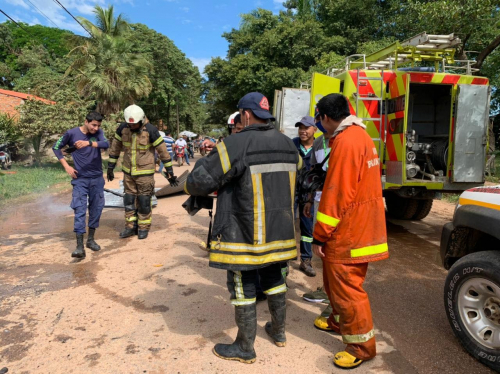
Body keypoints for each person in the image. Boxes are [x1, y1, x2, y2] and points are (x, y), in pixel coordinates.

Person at [185, 92, 300, 364]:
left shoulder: (236, 144)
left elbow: (198, 182)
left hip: (244, 234)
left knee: (242, 283)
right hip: (280, 232)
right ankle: (279, 331)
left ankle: (245, 347)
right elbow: (299, 175)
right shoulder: (288, 144)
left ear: (246, 115)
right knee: (274, 279)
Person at [312, 94, 389, 369]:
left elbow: (336, 194)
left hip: (349, 230)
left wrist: (320, 234)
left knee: (347, 288)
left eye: (318, 119)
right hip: (359, 225)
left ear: (325, 117)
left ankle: (361, 347)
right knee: (334, 280)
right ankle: (336, 321)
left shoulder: (345, 142)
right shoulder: (361, 135)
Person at [107, 104, 178, 240]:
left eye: (135, 125)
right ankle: (130, 227)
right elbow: (115, 148)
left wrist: (170, 171)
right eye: (130, 124)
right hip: (128, 173)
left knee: (144, 201)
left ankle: (143, 227)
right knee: (128, 200)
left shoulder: (151, 130)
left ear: (141, 120)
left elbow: (163, 151)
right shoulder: (123, 128)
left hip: (145, 173)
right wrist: (110, 167)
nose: (132, 127)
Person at [52, 111, 109, 258]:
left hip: (96, 178)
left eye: (98, 125)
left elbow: (106, 143)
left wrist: (89, 143)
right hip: (80, 178)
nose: (96, 128)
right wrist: (67, 166)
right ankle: (79, 247)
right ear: (86, 121)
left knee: (96, 208)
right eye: (93, 125)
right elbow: (56, 147)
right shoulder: (71, 133)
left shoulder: (98, 133)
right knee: (80, 209)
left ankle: (90, 240)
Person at [292, 116, 317, 277]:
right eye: (300, 127)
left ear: (314, 129)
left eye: (306, 127)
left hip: (310, 193)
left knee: (307, 226)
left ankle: (306, 260)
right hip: (292, 190)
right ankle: (283, 260)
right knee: (286, 224)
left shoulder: (320, 147)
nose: (302, 131)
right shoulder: (292, 144)